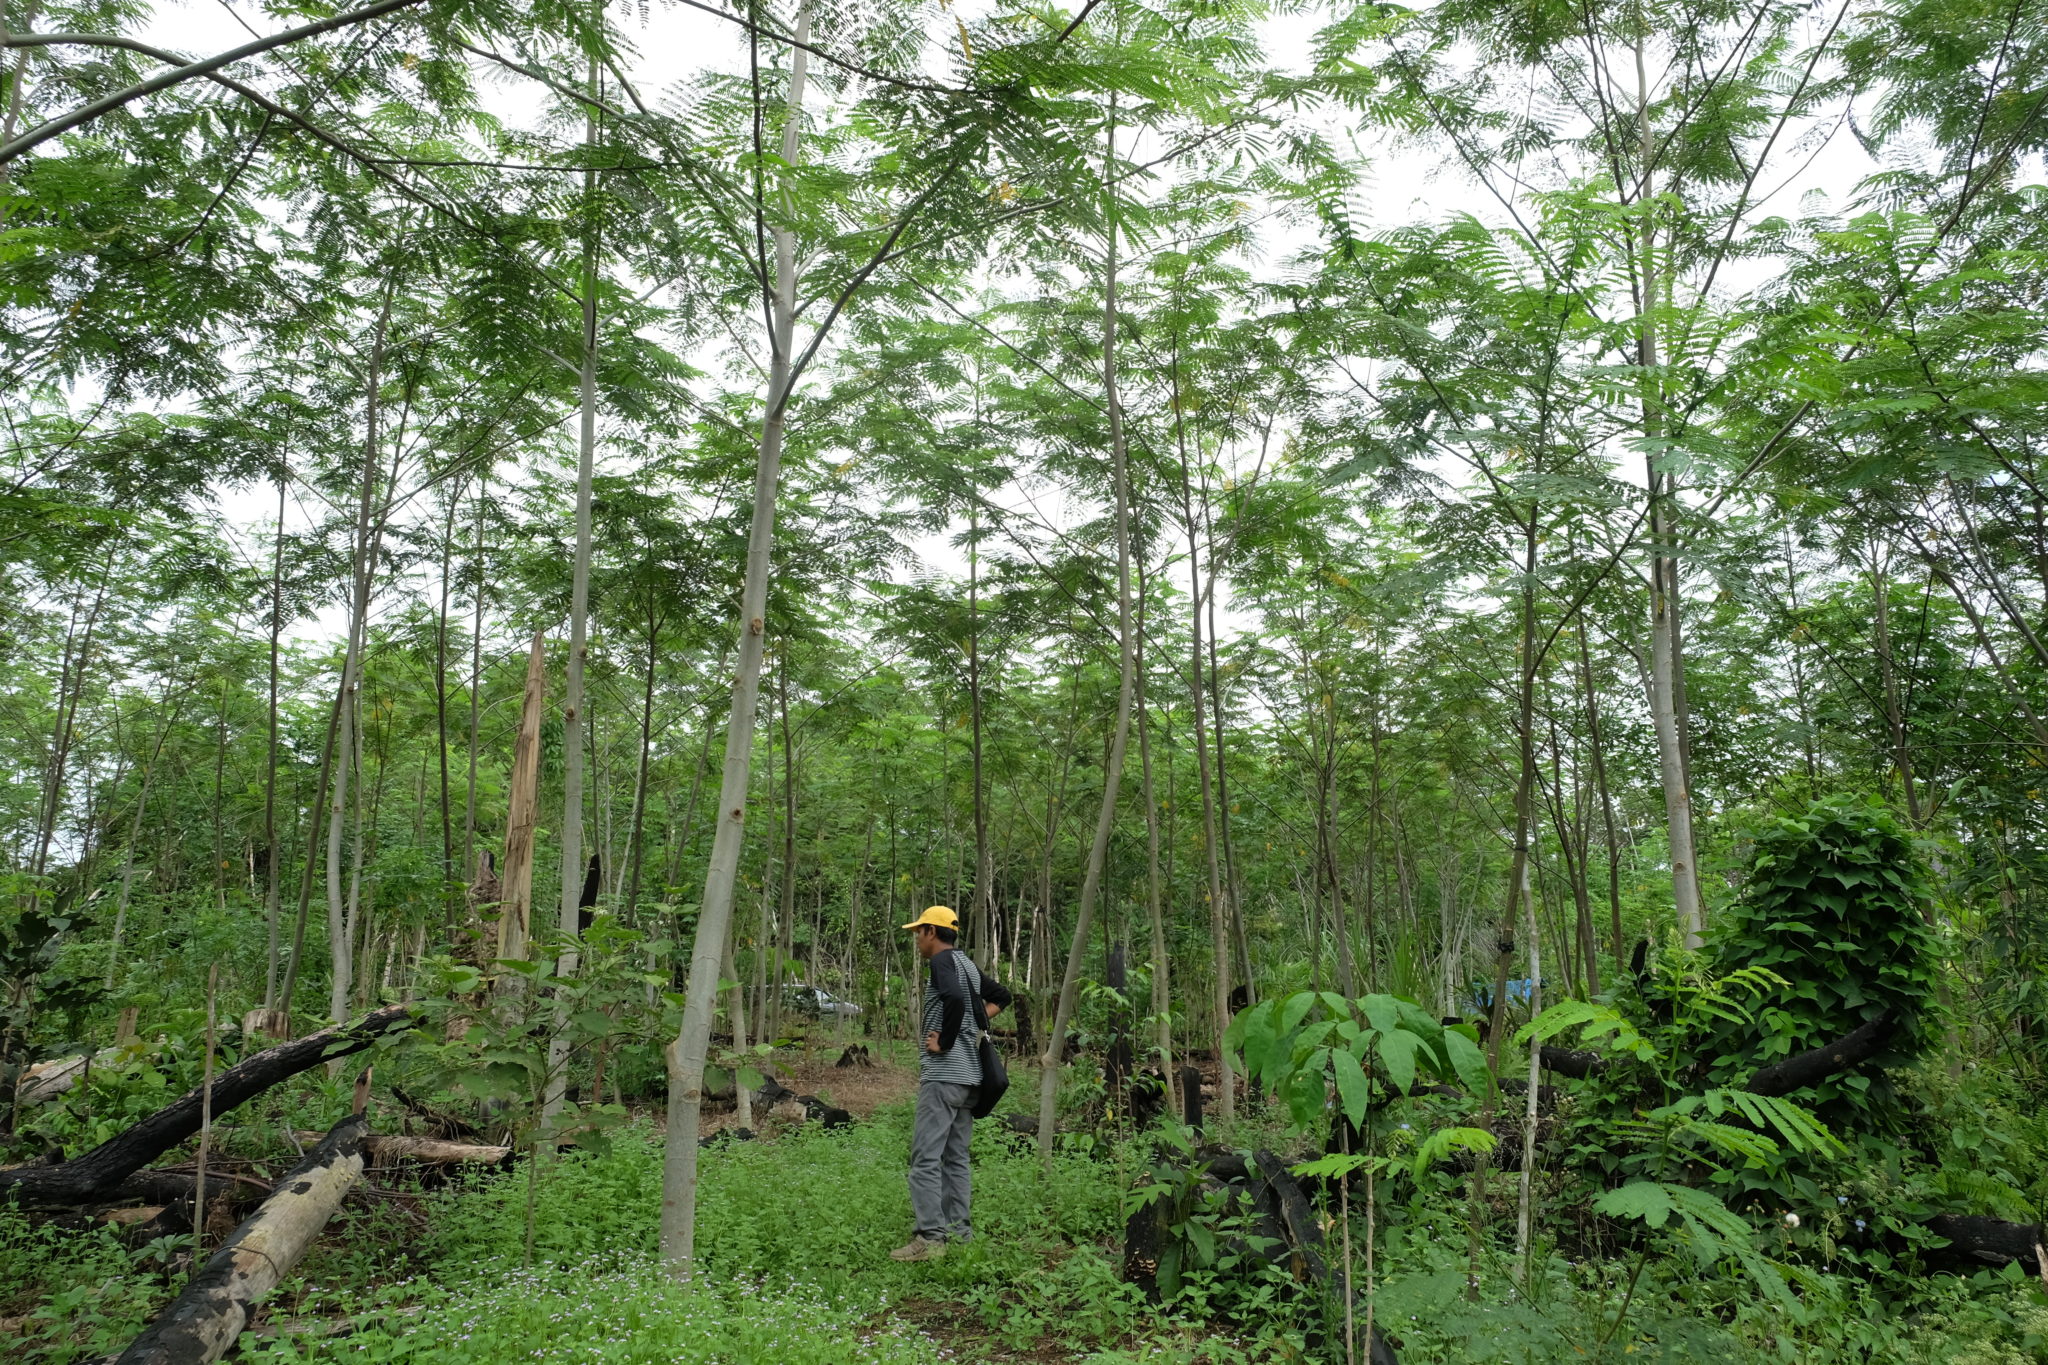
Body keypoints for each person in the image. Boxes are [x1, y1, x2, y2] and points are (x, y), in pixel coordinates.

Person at [891, 905, 1010, 1262]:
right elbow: (1002, 997)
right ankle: (960, 1233)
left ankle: (930, 1240)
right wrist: (973, 1024)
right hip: (970, 1078)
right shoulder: (968, 966)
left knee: (925, 1159)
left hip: (944, 1077)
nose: (916, 939)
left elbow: (955, 999)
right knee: (955, 1158)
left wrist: (943, 1042)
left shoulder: (941, 962)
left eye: (918, 932)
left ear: (931, 932)